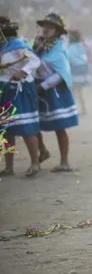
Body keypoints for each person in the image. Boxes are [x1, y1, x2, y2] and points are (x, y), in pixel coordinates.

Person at [32, 13, 79, 173]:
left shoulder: (58, 50)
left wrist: (43, 86)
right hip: (38, 90)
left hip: (54, 92)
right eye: (44, 26)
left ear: (57, 31)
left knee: (60, 127)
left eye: (50, 27)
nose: (46, 29)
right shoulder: (38, 46)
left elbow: (61, 74)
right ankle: (43, 151)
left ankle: (64, 162)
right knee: (33, 124)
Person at [0, 16, 42, 177]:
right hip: (5, 90)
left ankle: (35, 163)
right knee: (6, 129)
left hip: (21, 90)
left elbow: (35, 60)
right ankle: (9, 167)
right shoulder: (2, 47)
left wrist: (22, 72)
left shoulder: (18, 45)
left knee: (27, 127)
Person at [67, 30, 91, 115]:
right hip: (83, 70)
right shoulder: (81, 46)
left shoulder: (70, 48)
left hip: (75, 71)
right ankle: (83, 109)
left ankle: (73, 109)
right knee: (79, 92)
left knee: (73, 92)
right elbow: (85, 58)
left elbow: (69, 58)